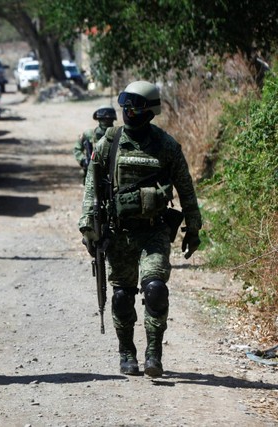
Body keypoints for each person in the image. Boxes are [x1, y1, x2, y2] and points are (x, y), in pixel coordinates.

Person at [78, 81, 202, 378]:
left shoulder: (167, 146)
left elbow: (186, 190)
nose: (128, 113)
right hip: (118, 232)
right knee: (122, 295)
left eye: (134, 108)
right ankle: (127, 353)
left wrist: (193, 228)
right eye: (125, 107)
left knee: (155, 289)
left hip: (154, 231)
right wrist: (87, 226)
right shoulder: (109, 142)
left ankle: (153, 354)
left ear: (149, 111)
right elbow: (91, 187)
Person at [73, 105, 117, 181]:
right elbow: (77, 149)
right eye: (103, 119)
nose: (106, 121)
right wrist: (83, 160)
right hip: (92, 176)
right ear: (98, 119)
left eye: (108, 119)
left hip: (113, 175)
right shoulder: (89, 134)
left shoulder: (118, 134)